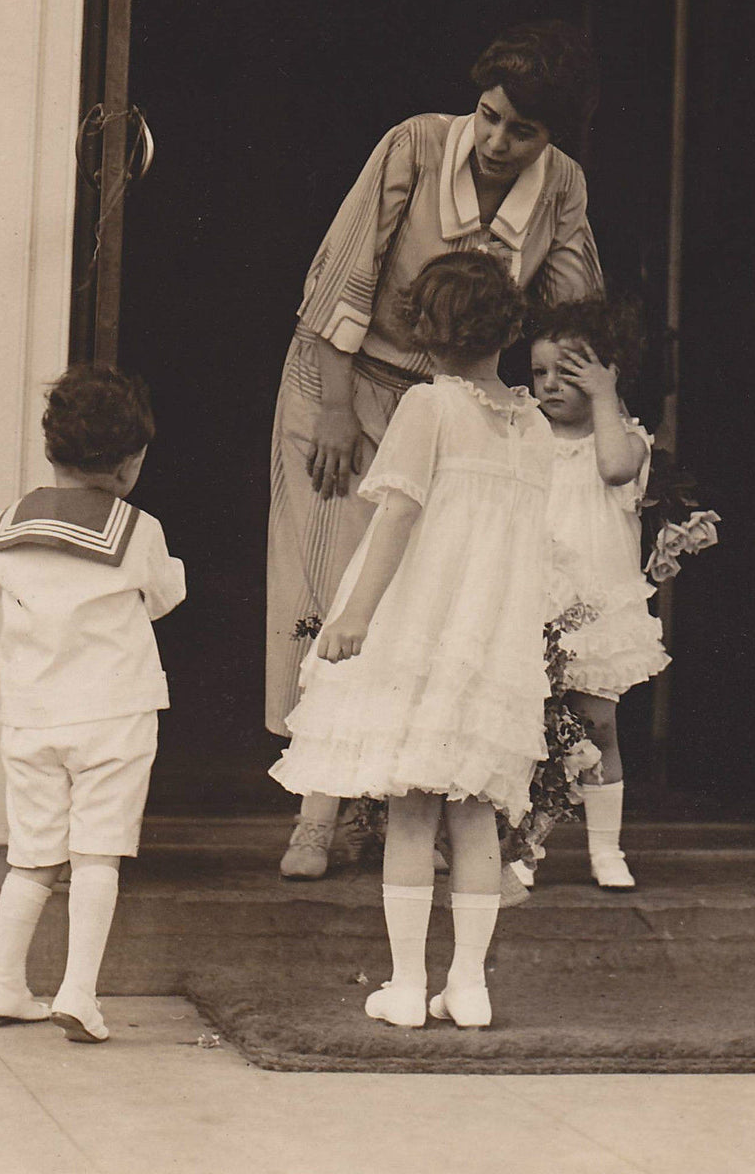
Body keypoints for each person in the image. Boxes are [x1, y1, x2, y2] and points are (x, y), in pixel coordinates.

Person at [268, 20, 604, 878]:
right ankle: (318, 812)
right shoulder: (414, 146)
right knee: (340, 585)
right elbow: (339, 276)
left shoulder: (561, 185)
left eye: (521, 130)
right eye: (489, 116)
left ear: (550, 135)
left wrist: (575, 405)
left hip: (462, 402)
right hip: (346, 382)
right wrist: (338, 412)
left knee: (435, 604)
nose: (496, 141)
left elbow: (576, 311)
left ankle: (413, 814)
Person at [270, 252, 554, 1028]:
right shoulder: (533, 427)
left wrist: (355, 613)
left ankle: (405, 983)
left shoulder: (430, 407)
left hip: (423, 630)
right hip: (488, 642)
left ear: (426, 335)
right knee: (472, 815)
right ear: (509, 331)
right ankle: (468, 984)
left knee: (412, 812)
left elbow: (395, 514)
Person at [0, 364, 185, 1042]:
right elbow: (163, 597)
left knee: (32, 853)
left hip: (31, 716)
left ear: (50, 449)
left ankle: (4, 981)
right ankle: (78, 992)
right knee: (98, 853)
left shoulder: (9, 524)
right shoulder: (136, 528)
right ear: (131, 462)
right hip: (114, 716)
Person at [519, 296, 669, 891]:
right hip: (530, 600)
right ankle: (522, 845)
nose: (550, 385)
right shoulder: (526, 432)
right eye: (539, 372)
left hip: (593, 607)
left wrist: (605, 397)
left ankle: (606, 849)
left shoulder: (627, 439)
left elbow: (613, 469)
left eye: (569, 372)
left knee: (596, 725)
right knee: (527, 727)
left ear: (607, 372)